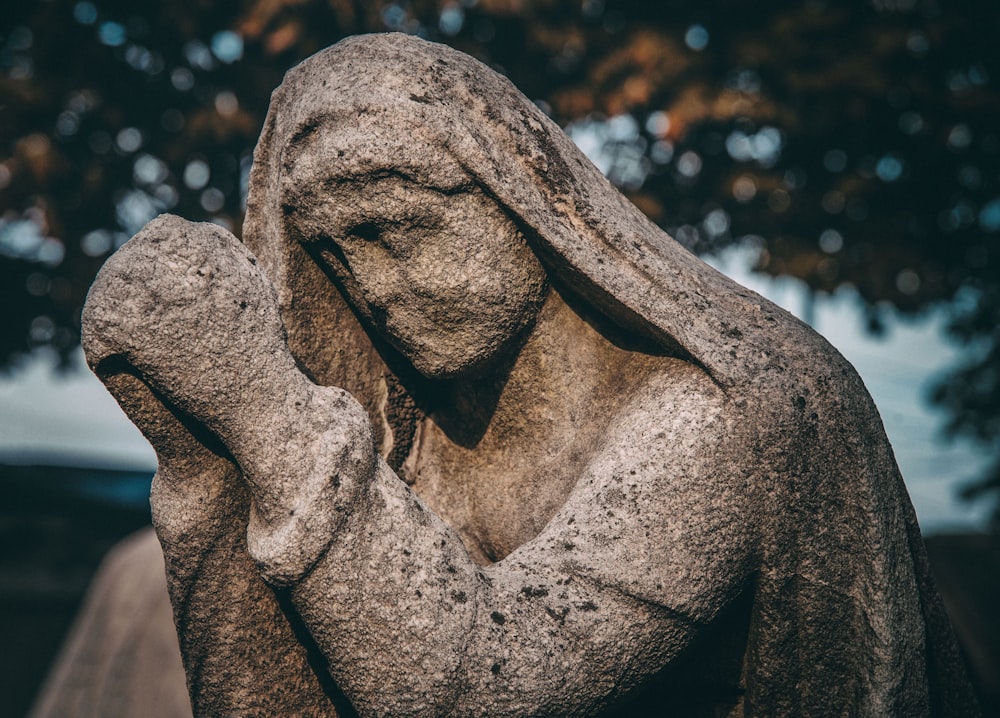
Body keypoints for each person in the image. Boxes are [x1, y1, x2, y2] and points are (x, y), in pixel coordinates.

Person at [83, 33, 977, 716]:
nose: (376, 288)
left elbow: (478, 685)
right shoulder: (413, 428)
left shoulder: (716, 416)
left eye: (399, 228)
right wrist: (199, 465)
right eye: (336, 255)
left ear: (519, 195)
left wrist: (261, 407)